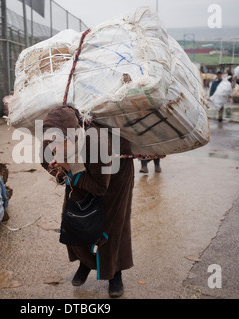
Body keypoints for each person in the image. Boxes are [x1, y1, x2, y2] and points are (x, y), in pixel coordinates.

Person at [41, 105, 134, 298]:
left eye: (61, 142)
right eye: (52, 142)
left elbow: (100, 188)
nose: (55, 147)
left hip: (114, 173)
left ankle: (115, 273)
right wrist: (60, 170)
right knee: (75, 217)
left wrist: (69, 167)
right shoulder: (50, 138)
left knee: (111, 223)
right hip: (78, 166)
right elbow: (45, 162)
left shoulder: (97, 141)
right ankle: (87, 262)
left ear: (75, 135)